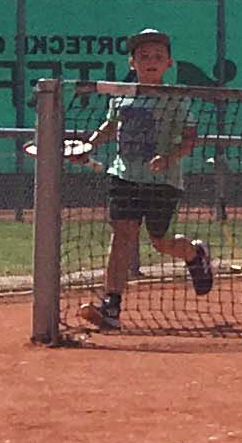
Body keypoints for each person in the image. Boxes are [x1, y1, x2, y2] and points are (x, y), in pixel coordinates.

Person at [72, 27, 219, 329]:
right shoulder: (120, 96)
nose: (150, 61)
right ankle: (111, 307)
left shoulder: (176, 99)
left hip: (162, 183)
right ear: (132, 63)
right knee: (122, 235)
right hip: (123, 177)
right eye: (143, 56)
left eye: (158, 57)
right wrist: (88, 144)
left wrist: (168, 158)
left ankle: (195, 253)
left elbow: (191, 137)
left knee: (161, 242)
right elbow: (110, 127)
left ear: (168, 64)